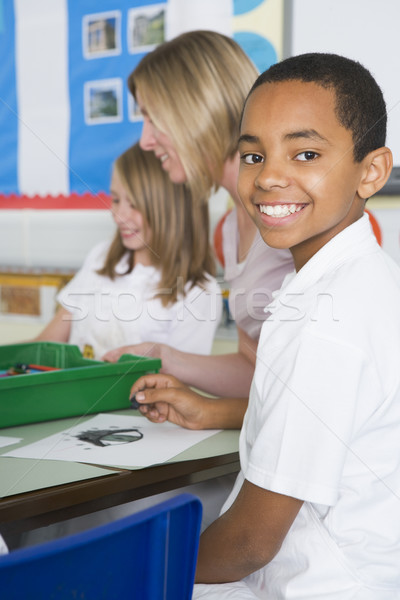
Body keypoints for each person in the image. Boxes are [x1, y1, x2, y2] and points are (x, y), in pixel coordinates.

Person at [130, 53, 400, 599]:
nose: (270, 175)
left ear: (371, 172)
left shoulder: (325, 317)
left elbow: (251, 543)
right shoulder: (358, 279)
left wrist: (144, 572)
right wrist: (215, 410)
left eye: (305, 153)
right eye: (254, 154)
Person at [103, 30, 294, 398]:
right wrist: (164, 357)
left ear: (195, 108)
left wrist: (207, 412)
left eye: (152, 117)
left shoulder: (286, 207)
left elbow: (311, 389)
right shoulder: (229, 230)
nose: (144, 140)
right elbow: (253, 369)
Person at [33, 143, 221, 359]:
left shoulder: (199, 292)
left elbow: (176, 385)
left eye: (134, 204)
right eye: (115, 199)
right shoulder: (101, 257)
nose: (119, 215)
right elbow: (45, 345)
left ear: (172, 208)